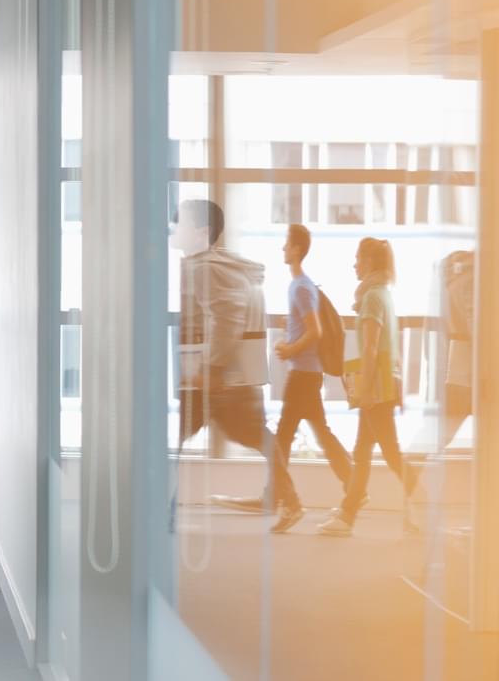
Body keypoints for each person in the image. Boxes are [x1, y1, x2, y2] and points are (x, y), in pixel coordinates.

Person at [171, 199, 303, 534]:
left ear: (202, 233)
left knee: (175, 438)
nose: (174, 228)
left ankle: (159, 510)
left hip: (214, 377)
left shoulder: (205, 268)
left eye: (180, 223)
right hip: (228, 375)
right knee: (251, 436)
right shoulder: (218, 265)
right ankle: (290, 501)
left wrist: (212, 369)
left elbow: (227, 317)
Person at [318, 238, 417, 537]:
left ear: (371, 262)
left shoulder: (373, 297)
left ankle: (425, 502)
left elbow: (372, 348)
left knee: (390, 453)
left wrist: (364, 391)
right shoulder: (383, 294)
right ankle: (348, 514)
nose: (354, 264)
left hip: (375, 388)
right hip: (384, 384)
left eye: (358, 258)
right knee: (363, 451)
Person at [273, 224, 353, 500]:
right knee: (320, 432)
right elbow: (307, 324)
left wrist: (290, 349)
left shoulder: (302, 288)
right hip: (308, 373)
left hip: (303, 375)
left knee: (283, 436)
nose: (283, 248)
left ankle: (279, 497)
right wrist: (291, 328)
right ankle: (353, 484)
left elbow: (316, 331)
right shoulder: (301, 286)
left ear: (296, 249)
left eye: (286, 244)